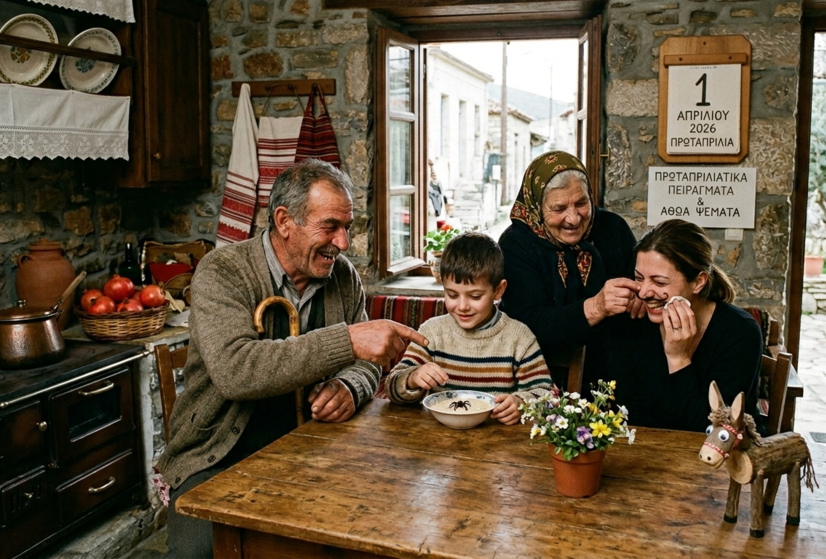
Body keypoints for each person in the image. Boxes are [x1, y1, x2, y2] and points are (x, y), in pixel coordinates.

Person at [159, 159, 428, 558]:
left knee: (379, 529)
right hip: (219, 457)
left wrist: (350, 386)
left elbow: (368, 362)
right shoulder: (223, 271)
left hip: (317, 451)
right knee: (199, 553)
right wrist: (348, 342)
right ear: (285, 221)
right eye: (330, 226)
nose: (342, 243)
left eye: (347, 227)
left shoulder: (343, 276)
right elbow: (236, 371)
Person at [498, 150, 643, 388]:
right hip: (543, 378)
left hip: (616, 371)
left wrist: (640, 298)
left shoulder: (612, 228)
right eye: (559, 208)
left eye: (581, 203)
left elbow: (640, 281)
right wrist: (596, 307)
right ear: (537, 205)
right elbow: (528, 325)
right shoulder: (516, 244)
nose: (574, 218)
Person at [603, 219, 762, 432]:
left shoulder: (740, 332)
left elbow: (714, 431)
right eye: (639, 278)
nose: (643, 292)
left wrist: (678, 358)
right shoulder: (633, 322)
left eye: (659, 282)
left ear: (698, 282)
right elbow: (628, 416)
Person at [386, 232, 552, 424]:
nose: (462, 306)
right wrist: (412, 378)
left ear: (498, 290)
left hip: (498, 444)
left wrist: (520, 403)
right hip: (436, 441)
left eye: (475, 296)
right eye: (452, 295)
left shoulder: (519, 338)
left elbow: (545, 394)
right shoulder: (432, 333)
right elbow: (392, 386)